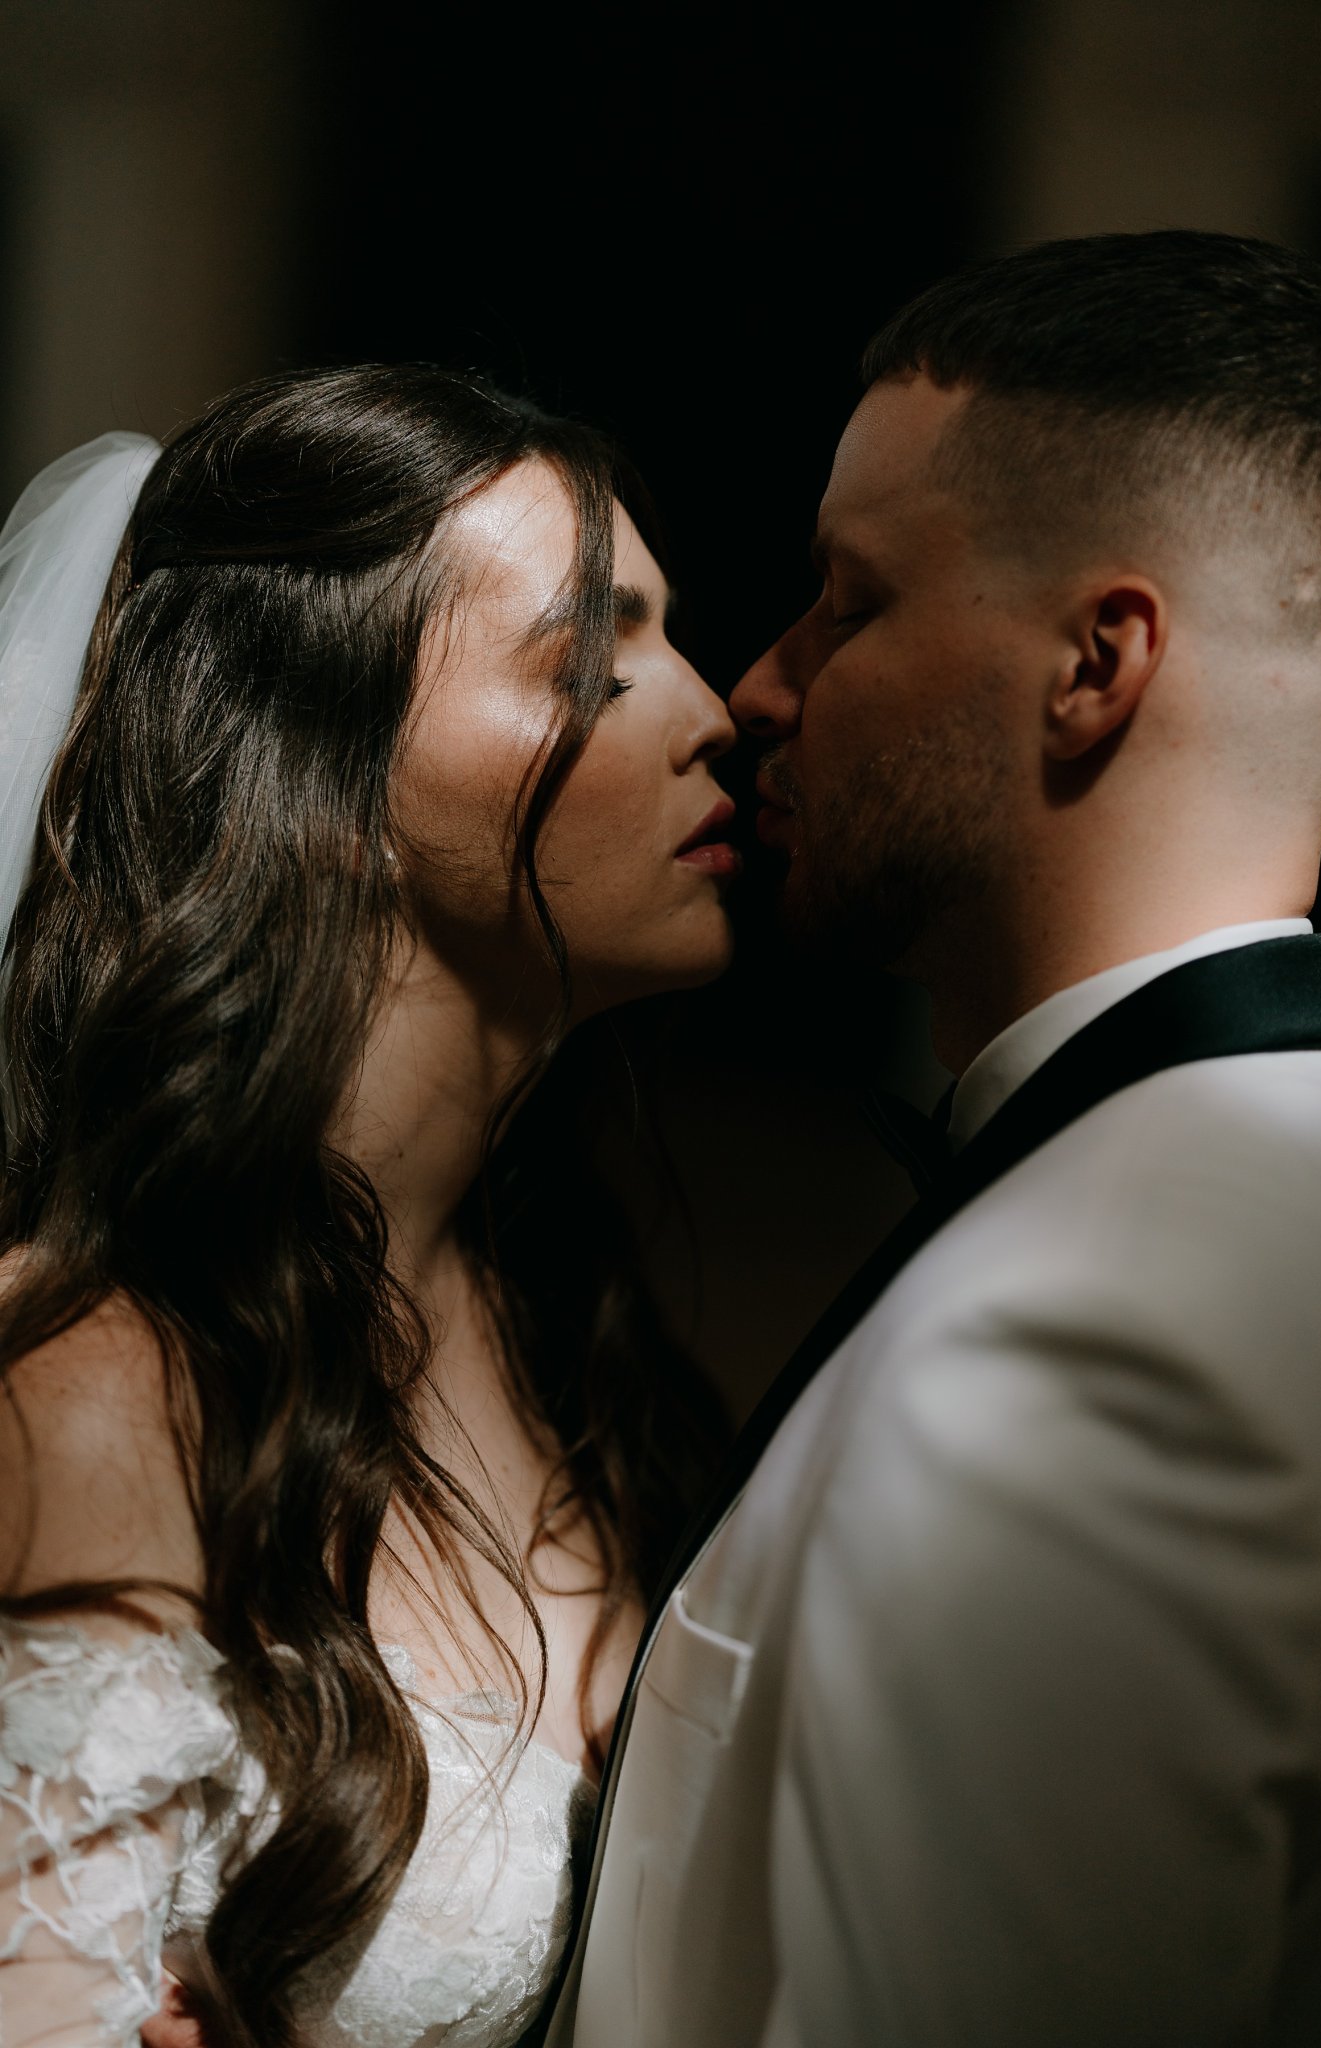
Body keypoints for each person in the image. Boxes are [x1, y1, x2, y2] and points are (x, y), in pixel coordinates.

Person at [545, 231, 1321, 2048]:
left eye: (849, 603)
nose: (758, 688)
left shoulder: (1103, 1326)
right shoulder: (1280, 1185)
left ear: (1096, 661)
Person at [0, 366, 740, 2046]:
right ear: (321, 781)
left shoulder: (567, 1326)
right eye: (587, 666)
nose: (712, 712)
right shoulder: (89, 1389)